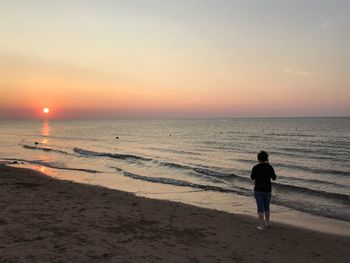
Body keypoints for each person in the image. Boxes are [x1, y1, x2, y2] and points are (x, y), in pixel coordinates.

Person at [250, 151, 276, 230]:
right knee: (267, 207)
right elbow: (274, 178)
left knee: (260, 208)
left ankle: (262, 225)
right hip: (267, 189)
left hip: (258, 189)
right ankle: (267, 223)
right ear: (267, 158)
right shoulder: (270, 167)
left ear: (258, 158)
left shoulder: (256, 167)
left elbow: (252, 177)